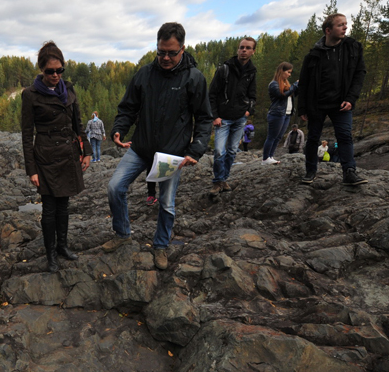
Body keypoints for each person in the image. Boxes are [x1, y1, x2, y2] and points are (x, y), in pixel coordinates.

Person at [104, 22, 212, 270]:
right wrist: (118, 129)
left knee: (166, 203)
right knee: (114, 187)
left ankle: (161, 246)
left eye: (171, 53)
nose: (164, 57)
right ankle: (122, 234)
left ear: (182, 49)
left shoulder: (194, 78)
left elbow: (204, 118)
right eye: (160, 51)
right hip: (141, 148)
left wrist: (195, 150)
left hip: (170, 156)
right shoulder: (144, 73)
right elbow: (128, 107)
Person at [21, 41, 91, 272]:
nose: (55, 75)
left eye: (59, 70)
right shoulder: (30, 95)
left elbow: (78, 125)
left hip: (68, 154)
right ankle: (50, 254)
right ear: (42, 70)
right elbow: (26, 133)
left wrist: (87, 152)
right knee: (49, 209)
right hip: (45, 158)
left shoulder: (68, 90)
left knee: (64, 206)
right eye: (50, 71)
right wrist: (31, 169)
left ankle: (62, 246)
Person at [298, 13, 368, 185]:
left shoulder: (353, 47)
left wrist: (351, 98)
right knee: (313, 138)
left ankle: (349, 172)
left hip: (342, 103)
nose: (345, 27)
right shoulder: (313, 55)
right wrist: (302, 108)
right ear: (328, 30)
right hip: (317, 104)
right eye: (340, 25)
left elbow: (360, 74)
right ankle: (310, 171)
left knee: (345, 136)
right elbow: (304, 83)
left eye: (346, 24)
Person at [209, 37, 257, 192]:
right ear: (238, 49)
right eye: (241, 47)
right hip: (222, 118)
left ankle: (223, 179)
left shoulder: (252, 71)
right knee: (218, 151)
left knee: (231, 151)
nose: (244, 50)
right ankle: (218, 180)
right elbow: (212, 94)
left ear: (253, 51)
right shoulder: (224, 69)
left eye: (248, 48)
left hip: (240, 117)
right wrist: (215, 116)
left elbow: (253, 95)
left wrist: (249, 110)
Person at [262, 62, 299, 165]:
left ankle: (270, 156)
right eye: (288, 72)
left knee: (278, 137)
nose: (289, 75)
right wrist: (295, 85)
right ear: (281, 71)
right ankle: (265, 159)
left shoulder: (286, 84)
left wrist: (298, 87)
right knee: (271, 136)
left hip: (286, 114)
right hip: (277, 114)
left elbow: (293, 94)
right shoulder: (274, 84)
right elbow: (281, 95)